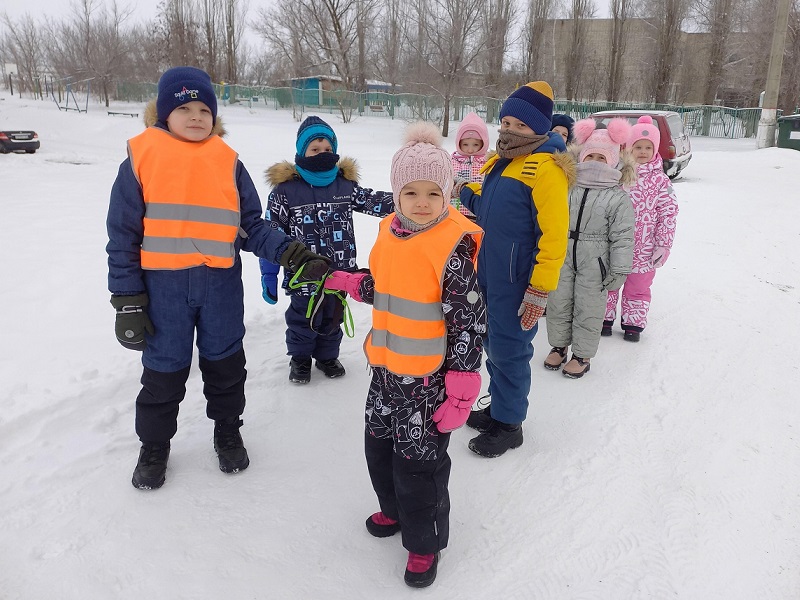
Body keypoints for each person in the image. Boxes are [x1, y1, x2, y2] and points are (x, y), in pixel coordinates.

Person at [106, 67, 328, 491]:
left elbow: (250, 226)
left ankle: (227, 429)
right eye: (184, 107)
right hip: (162, 290)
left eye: (204, 109)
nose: (195, 116)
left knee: (226, 364)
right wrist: (127, 299)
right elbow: (122, 235)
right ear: (164, 113)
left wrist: (292, 252)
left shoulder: (227, 161)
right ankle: (154, 445)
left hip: (219, 285)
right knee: (163, 371)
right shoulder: (141, 158)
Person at [323, 122, 486, 588]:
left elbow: (468, 319)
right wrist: (353, 282)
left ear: (448, 194)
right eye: (410, 192)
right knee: (378, 446)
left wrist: (462, 385)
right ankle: (393, 512)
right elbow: (389, 285)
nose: (421, 202)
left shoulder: (452, 244)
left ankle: (423, 544)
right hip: (386, 368)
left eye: (433, 193)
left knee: (419, 464)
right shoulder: (389, 231)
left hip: (429, 379)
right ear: (396, 194)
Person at [458, 81, 572, 457]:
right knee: (492, 345)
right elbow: (490, 207)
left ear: (539, 127)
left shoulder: (545, 168)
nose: (509, 130)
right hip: (486, 276)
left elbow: (554, 237)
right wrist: (466, 193)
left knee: (511, 351)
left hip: (517, 283)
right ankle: (500, 406)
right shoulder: (500, 161)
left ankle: (510, 425)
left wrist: (539, 290)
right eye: (505, 121)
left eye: (520, 125)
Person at [259, 116, 394, 384]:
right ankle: (299, 359)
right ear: (302, 152)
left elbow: (373, 201)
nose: (322, 154)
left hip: (339, 271)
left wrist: (409, 199)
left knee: (333, 317)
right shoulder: (285, 192)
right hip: (302, 272)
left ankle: (327, 357)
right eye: (315, 149)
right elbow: (270, 234)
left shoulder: (344, 185)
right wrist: (268, 276)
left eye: (327, 149)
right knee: (302, 318)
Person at [543, 118, 636, 377]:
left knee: (589, 307)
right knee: (559, 302)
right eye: (590, 155)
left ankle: (582, 354)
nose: (594, 161)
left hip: (595, 261)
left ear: (613, 160)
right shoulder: (567, 185)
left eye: (601, 157)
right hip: (563, 255)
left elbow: (623, 236)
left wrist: (619, 268)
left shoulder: (617, 197)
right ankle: (559, 345)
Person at [604, 115, 679, 342]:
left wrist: (663, 245)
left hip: (645, 249)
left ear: (655, 149)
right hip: (614, 244)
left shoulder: (661, 182)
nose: (643, 152)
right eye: (638, 147)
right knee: (609, 282)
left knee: (638, 287)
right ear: (628, 147)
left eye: (649, 147)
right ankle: (603, 319)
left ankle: (632, 324)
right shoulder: (617, 175)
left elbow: (669, 213)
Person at [450, 111, 490, 220]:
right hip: (454, 216)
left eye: (476, 144)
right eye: (465, 144)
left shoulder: (488, 164)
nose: (470, 149)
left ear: (483, 143)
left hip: (478, 215)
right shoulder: (451, 162)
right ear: (459, 143)